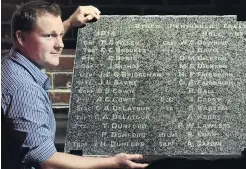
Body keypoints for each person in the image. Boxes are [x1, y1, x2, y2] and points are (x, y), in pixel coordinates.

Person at [1, 1, 149, 168]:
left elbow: (43, 41)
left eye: (60, 34)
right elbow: (46, 160)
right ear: (21, 37)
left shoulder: (10, 62)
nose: (60, 44)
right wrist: (113, 162)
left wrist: (70, 22)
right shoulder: (25, 90)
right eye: (50, 36)